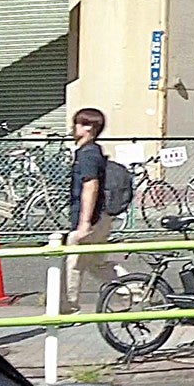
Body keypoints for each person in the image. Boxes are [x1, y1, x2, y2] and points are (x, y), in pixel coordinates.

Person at [63, 107, 118, 312]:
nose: (73, 126)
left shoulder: (88, 154)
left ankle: (67, 309)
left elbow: (90, 185)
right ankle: (139, 289)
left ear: (89, 127)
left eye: (78, 123)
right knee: (97, 264)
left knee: (73, 264)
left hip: (91, 220)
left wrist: (85, 223)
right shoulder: (91, 151)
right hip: (99, 218)